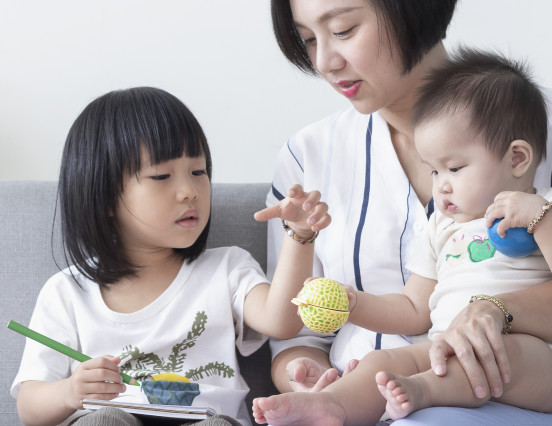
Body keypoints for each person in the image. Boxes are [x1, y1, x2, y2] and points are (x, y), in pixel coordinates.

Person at [264, 0, 552, 424]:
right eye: (308, 39)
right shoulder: (307, 154)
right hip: (377, 397)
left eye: (344, 30)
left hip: (529, 391)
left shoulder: (549, 124)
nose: (324, 62)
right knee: (385, 369)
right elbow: (300, 333)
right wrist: (314, 375)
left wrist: (497, 310)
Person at [10, 87, 331, 426]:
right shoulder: (67, 292)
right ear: (104, 197)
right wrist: (69, 392)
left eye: (199, 172)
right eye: (161, 176)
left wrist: (300, 234)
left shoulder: (227, 268)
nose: (189, 191)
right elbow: (29, 408)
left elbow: (282, 321)